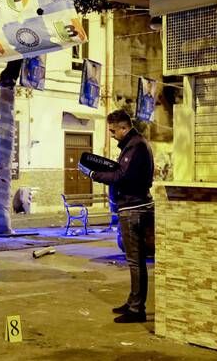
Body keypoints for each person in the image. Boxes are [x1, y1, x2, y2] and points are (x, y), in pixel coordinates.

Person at [78, 109, 154, 323]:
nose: (111, 135)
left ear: (124, 127)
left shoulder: (136, 145)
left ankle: (137, 309)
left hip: (134, 208)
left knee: (135, 261)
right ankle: (133, 302)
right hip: (134, 207)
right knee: (135, 261)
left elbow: (121, 176)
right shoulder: (135, 144)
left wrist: (93, 174)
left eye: (113, 131)